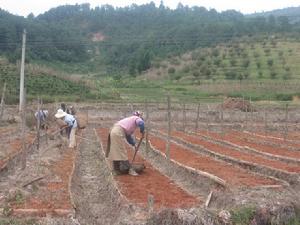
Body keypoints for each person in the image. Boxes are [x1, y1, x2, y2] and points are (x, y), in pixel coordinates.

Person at [106, 111, 145, 176]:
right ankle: (130, 170)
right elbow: (141, 123)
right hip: (117, 133)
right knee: (122, 151)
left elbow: (128, 136)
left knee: (116, 152)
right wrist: (142, 131)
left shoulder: (130, 121)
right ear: (139, 116)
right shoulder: (136, 118)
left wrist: (133, 144)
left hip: (113, 132)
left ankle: (116, 170)